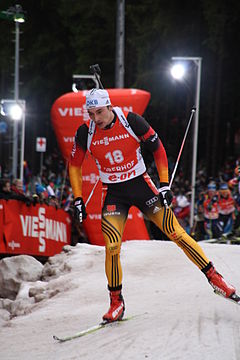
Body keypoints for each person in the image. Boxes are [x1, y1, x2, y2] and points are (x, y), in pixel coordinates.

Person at [68, 88, 239, 323]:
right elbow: (74, 165)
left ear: (109, 107)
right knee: (112, 246)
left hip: (141, 186)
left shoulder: (131, 121)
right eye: (91, 113)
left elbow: (158, 149)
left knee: (175, 233)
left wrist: (164, 185)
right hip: (113, 192)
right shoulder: (85, 132)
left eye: (99, 112)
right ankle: (116, 302)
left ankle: (216, 279)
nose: (96, 118)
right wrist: (78, 198)